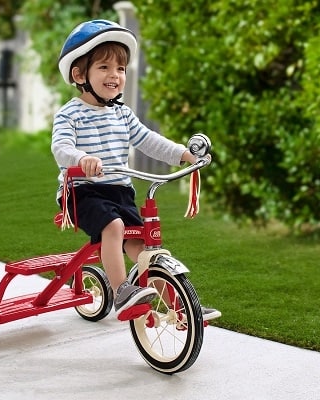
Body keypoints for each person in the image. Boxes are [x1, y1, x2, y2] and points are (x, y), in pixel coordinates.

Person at [52, 19, 221, 322]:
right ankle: (121, 292)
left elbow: (149, 141)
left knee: (143, 246)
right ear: (79, 74)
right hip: (82, 192)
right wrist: (82, 158)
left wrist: (183, 154)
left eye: (120, 69)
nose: (114, 75)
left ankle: (181, 308)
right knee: (114, 228)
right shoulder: (70, 114)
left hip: (119, 191)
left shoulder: (122, 113)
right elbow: (61, 148)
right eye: (104, 67)